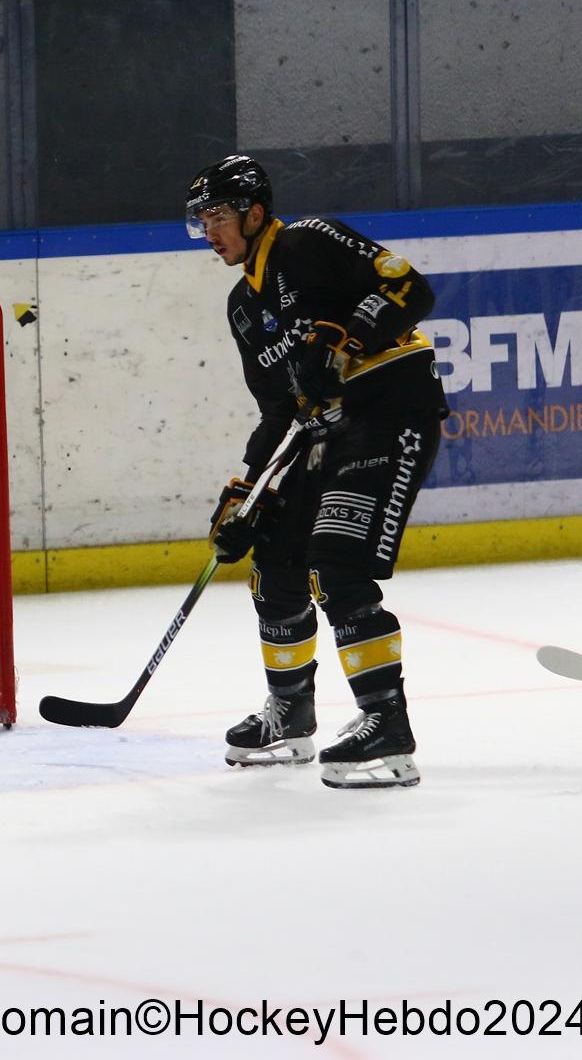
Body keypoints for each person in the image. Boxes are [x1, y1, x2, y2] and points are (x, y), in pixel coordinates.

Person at [190, 154, 449, 789]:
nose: (209, 231)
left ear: (254, 213)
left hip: (390, 408)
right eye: (201, 221)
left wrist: (344, 339)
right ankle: (290, 714)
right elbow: (280, 409)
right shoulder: (242, 309)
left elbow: (411, 289)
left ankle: (387, 727)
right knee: (275, 556)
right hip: (326, 431)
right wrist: (245, 491)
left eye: (218, 216)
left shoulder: (307, 240)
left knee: (336, 562)